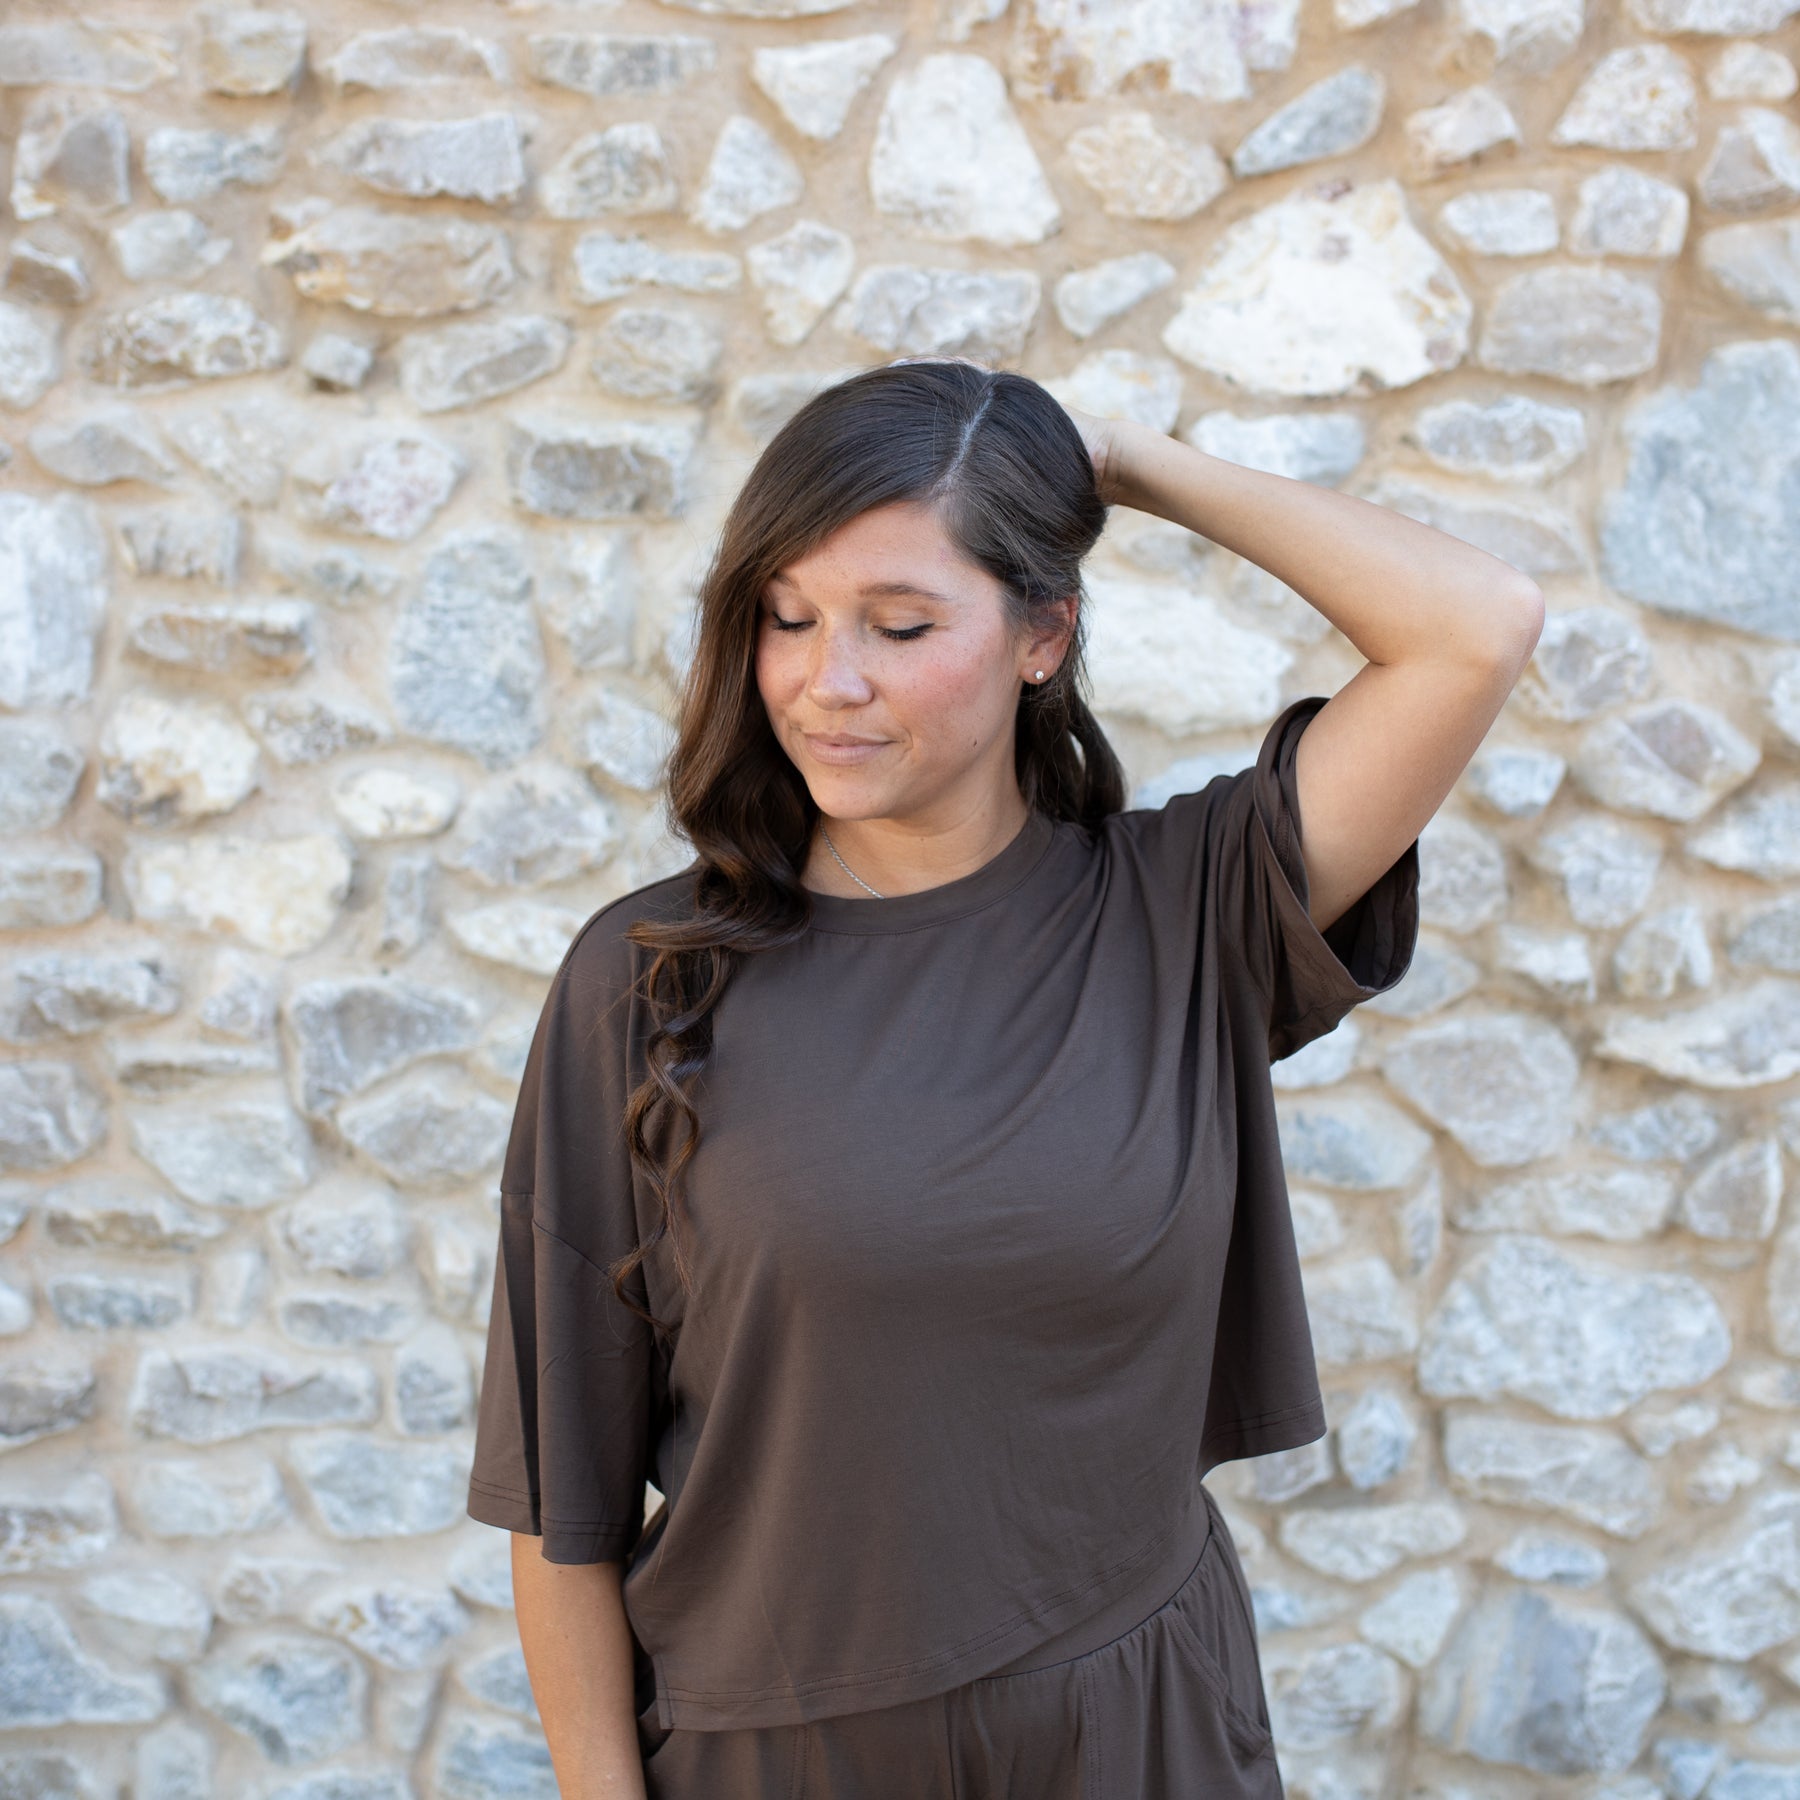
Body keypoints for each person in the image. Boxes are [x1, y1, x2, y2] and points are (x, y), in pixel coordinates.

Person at [465, 357, 1545, 1798]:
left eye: (899, 624)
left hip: (1136, 1739)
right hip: (777, 1758)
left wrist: (1124, 460)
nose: (822, 681)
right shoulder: (648, 983)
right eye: (785, 617)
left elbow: (1476, 630)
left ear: (1045, 634)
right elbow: (564, 1502)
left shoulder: (1192, 914)